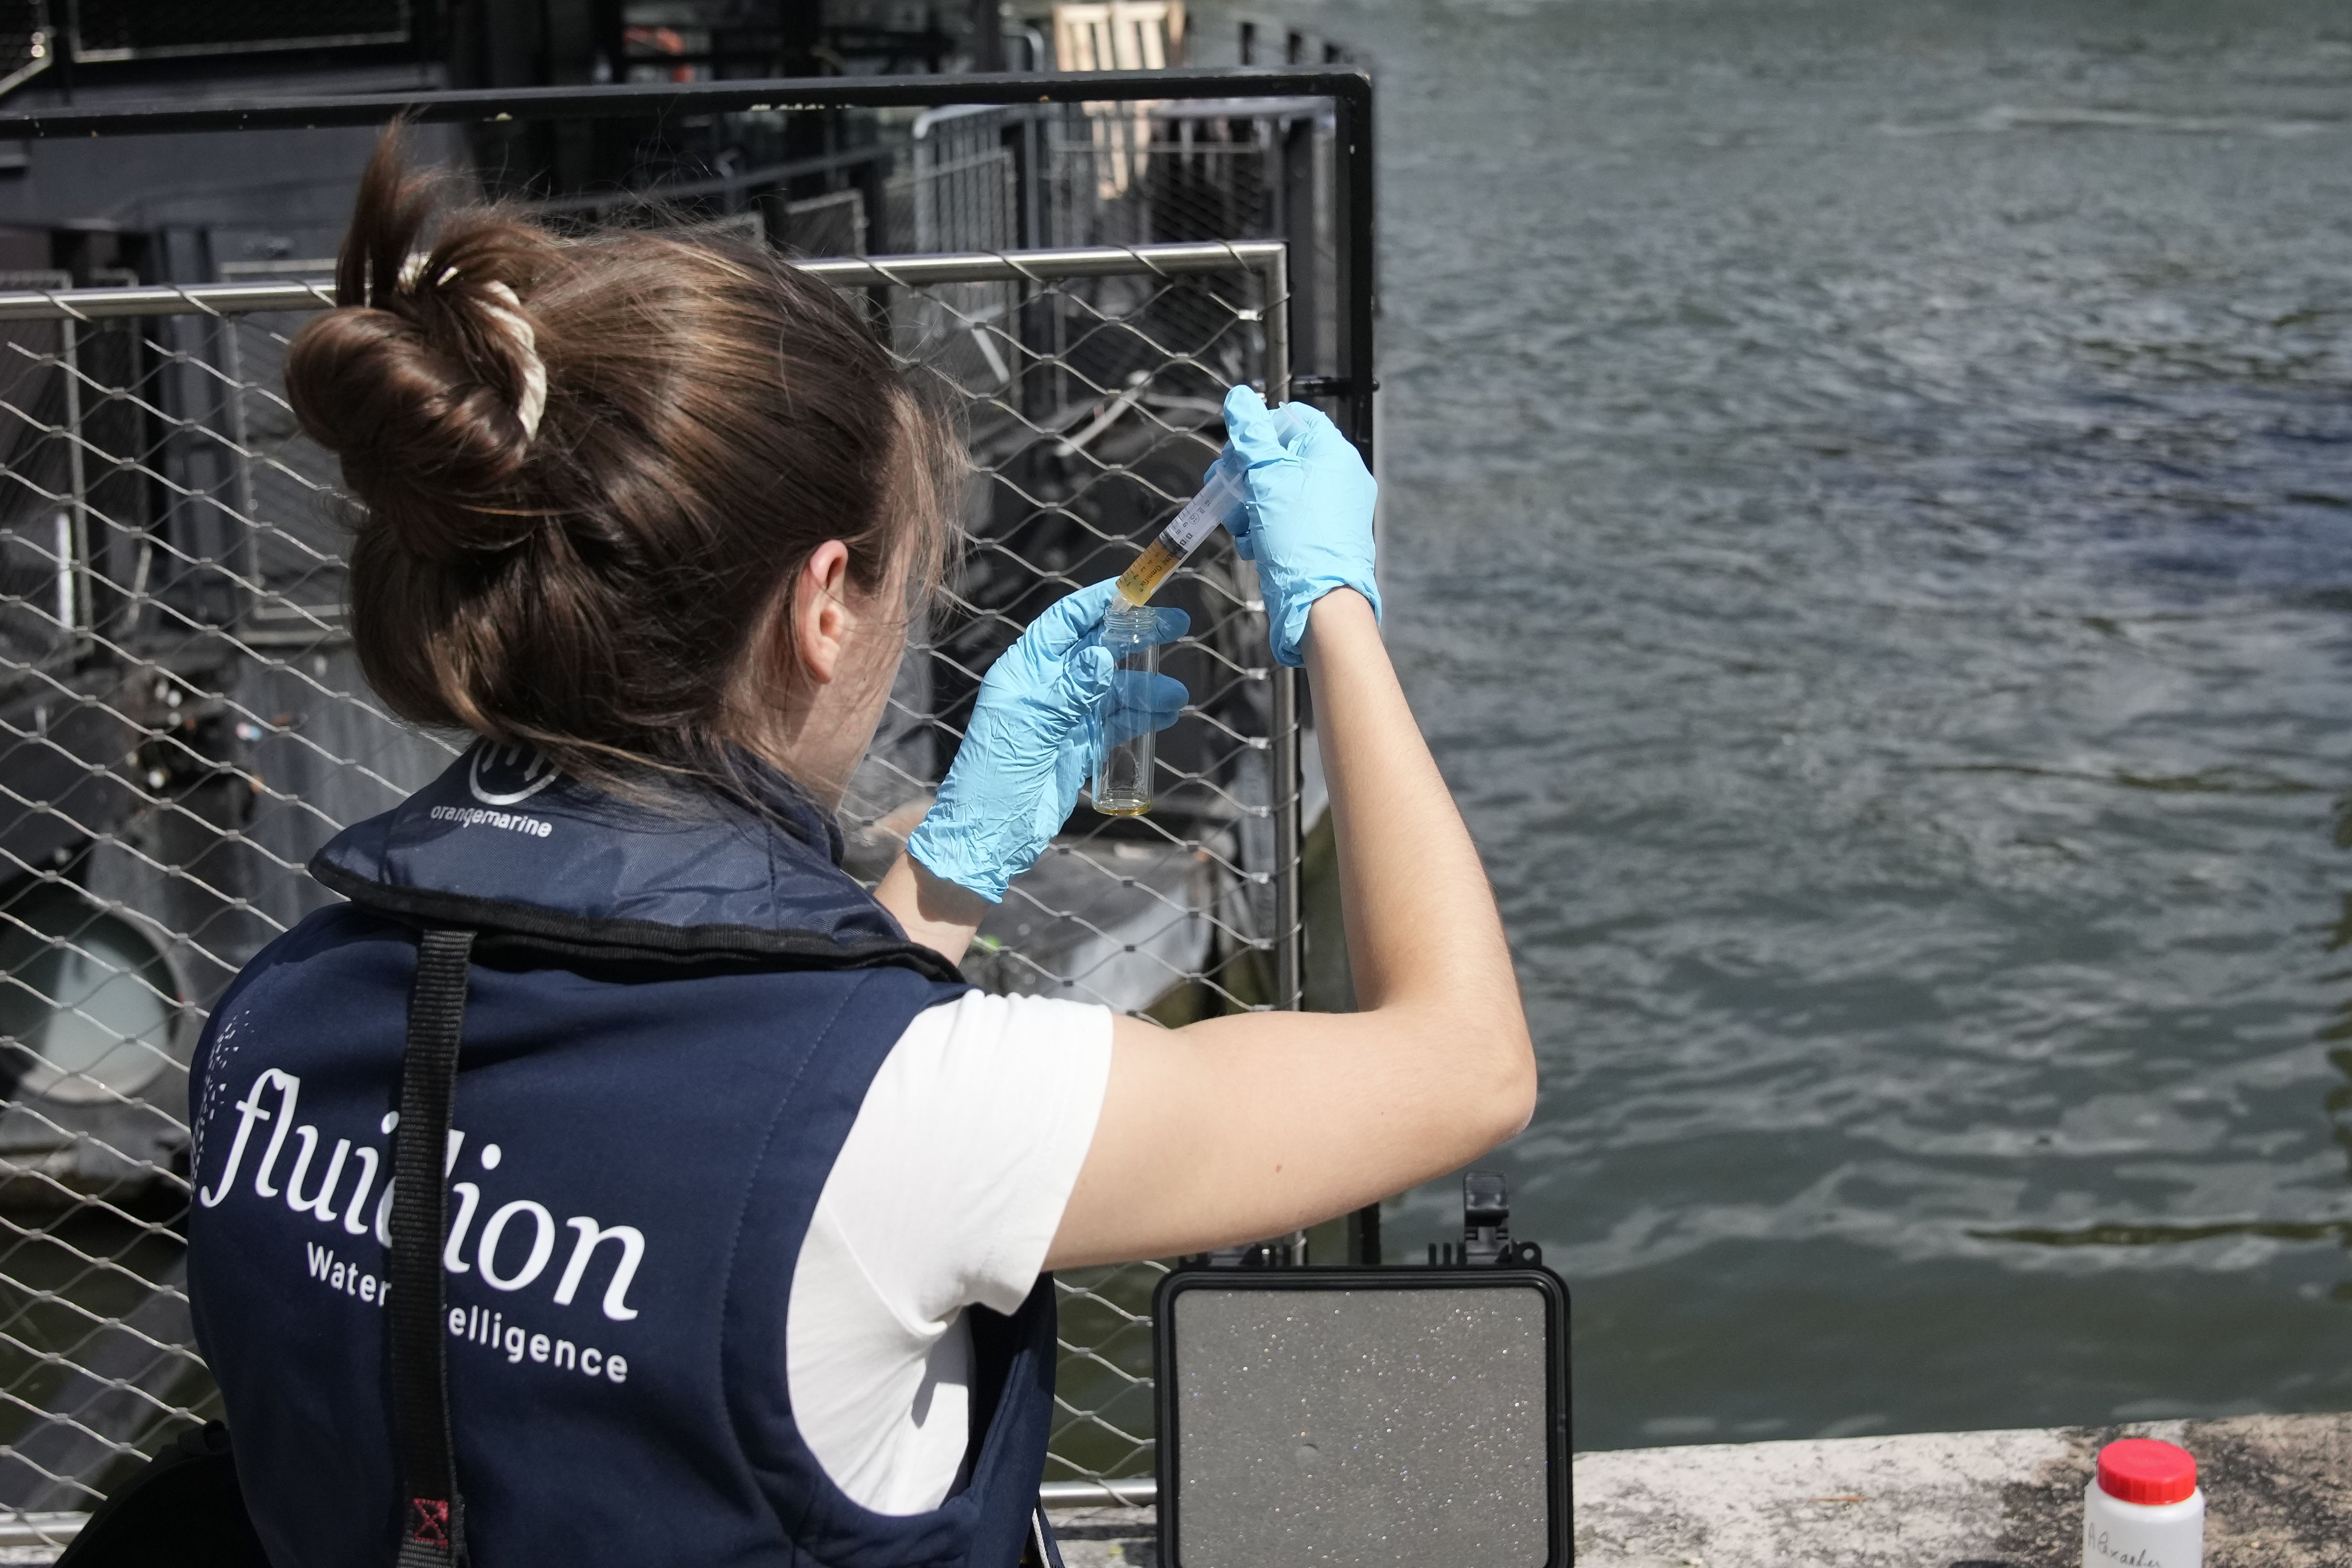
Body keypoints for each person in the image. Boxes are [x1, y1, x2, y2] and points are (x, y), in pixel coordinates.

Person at [183, 131, 1535, 1568]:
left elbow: (726, 1100)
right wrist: (1334, 609)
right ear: (824, 602)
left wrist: (944, 880)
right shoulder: (928, 1119)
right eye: (907, 575)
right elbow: (1465, 1066)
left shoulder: (276, 1010)